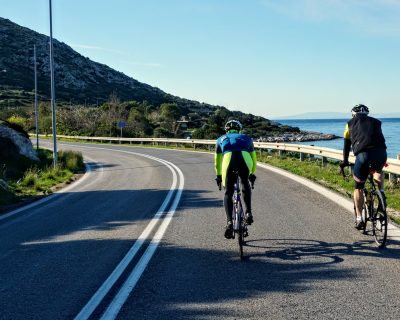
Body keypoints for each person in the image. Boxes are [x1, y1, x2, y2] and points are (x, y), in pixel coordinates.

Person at [340, 104, 387, 229]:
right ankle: (381, 192)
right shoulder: (377, 122)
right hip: (381, 153)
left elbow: (346, 146)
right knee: (377, 170)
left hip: (363, 156)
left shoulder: (349, 124)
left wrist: (344, 161)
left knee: (359, 187)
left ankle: (359, 218)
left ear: (353, 114)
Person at [214, 119, 257, 239]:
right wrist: (252, 173)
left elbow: (217, 162)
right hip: (245, 160)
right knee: (244, 183)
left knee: (228, 192)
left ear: (226, 130)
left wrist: (218, 176)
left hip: (228, 161)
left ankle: (229, 222)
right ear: (239, 130)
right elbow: (254, 158)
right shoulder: (246, 138)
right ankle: (248, 212)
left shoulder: (220, 139)